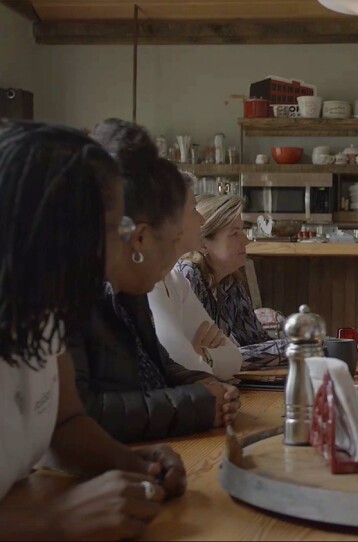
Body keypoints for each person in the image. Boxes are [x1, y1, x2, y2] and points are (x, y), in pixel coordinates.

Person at [0, 121, 186, 539]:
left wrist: (131, 462)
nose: (127, 244)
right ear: (55, 233)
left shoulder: (48, 315)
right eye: (115, 229)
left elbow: (64, 424)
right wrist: (54, 521)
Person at [67, 118, 240, 443]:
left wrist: (205, 384)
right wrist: (198, 404)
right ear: (141, 239)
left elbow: (160, 365)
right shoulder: (73, 296)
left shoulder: (130, 293)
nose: (173, 263)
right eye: (172, 242)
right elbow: (79, 416)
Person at [147, 172, 243, 381]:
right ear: (171, 220)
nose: (201, 219)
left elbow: (235, 358)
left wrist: (203, 357)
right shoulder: (150, 285)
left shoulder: (175, 281)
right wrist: (204, 367)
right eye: (193, 210)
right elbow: (182, 365)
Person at [177, 194, 287, 370]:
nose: (247, 240)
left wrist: (298, 347)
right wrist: (294, 349)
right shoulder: (188, 275)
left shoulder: (230, 282)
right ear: (203, 243)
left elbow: (256, 343)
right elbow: (196, 359)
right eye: (235, 233)